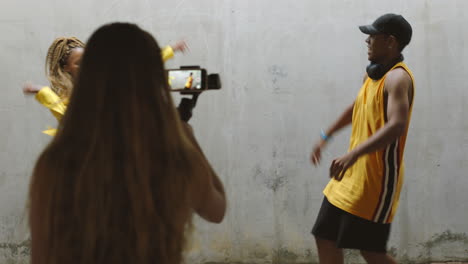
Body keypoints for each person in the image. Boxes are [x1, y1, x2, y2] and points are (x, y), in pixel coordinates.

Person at [28, 22, 226, 264]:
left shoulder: (54, 163)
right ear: (152, 78)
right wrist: (188, 138)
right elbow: (217, 210)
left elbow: (41, 257)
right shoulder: (172, 157)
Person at [310, 14, 414, 264]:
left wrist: (353, 154)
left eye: (372, 36)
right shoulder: (372, 76)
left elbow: (396, 125)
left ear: (390, 41)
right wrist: (326, 135)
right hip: (350, 177)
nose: (367, 40)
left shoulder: (397, 79)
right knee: (324, 235)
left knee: (371, 251)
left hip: (376, 182)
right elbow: (357, 107)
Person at [23, 37, 188, 135]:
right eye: (80, 63)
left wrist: (170, 50)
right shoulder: (70, 95)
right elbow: (70, 119)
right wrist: (43, 92)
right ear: (66, 68)